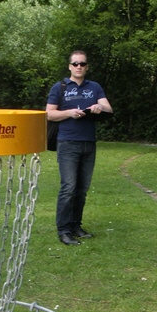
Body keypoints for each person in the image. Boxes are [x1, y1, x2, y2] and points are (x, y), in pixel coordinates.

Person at [46, 51, 113, 245]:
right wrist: (68, 113)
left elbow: (109, 109)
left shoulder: (94, 87)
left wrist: (99, 108)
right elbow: (48, 114)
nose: (79, 67)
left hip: (88, 143)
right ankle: (64, 230)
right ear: (69, 66)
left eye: (82, 64)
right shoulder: (60, 87)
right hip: (67, 142)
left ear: (87, 67)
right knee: (68, 187)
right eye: (75, 64)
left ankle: (76, 226)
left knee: (82, 189)